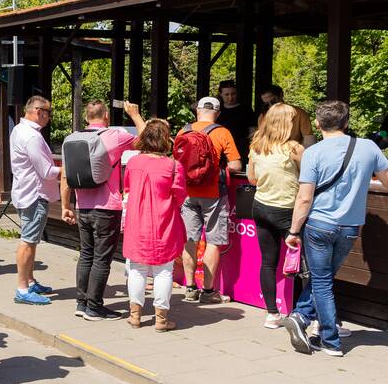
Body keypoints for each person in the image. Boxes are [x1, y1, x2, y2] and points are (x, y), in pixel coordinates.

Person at [284, 101, 388, 357]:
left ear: (318, 125)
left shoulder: (314, 152)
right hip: (350, 226)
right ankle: (303, 319)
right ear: (346, 123)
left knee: (321, 280)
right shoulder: (369, 147)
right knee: (325, 278)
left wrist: (294, 231)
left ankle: (327, 337)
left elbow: (305, 197)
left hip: (319, 225)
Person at [60, 100, 145, 320]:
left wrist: (64, 206)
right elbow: (148, 140)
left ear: (86, 117)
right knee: (102, 258)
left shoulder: (71, 138)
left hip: (82, 207)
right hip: (107, 208)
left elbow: (64, 176)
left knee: (86, 254)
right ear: (106, 115)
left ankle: (82, 302)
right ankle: (95, 306)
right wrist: (135, 115)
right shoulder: (114, 136)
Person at [122, 119, 187, 331]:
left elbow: (128, 187)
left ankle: (135, 316)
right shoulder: (174, 165)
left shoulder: (133, 162)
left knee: (136, 269)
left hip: (137, 221)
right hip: (164, 221)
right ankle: (161, 319)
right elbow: (180, 196)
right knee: (163, 270)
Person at [178, 97, 242, 304]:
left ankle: (189, 288)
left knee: (190, 240)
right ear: (218, 113)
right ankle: (208, 292)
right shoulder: (222, 132)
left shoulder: (183, 131)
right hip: (214, 193)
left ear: (197, 111)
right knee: (213, 242)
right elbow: (236, 165)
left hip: (186, 193)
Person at [246, 103, 305, 329]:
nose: (294, 123)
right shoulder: (295, 149)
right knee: (304, 264)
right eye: (291, 119)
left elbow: (252, 179)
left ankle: (272, 314)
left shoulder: (257, 146)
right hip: (288, 210)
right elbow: (310, 179)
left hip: (261, 206)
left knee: (268, 262)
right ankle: (310, 315)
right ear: (285, 123)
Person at [9, 96, 58, 305]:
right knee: (28, 242)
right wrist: (67, 171)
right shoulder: (32, 136)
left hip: (25, 192)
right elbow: (46, 171)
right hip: (34, 194)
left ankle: (29, 281)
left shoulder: (20, 129)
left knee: (32, 240)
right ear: (39, 112)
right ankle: (22, 288)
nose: (49, 117)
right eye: (48, 113)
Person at [216, 79, 257, 164]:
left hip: (241, 149)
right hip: (220, 150)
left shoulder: (246, 110)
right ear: (220, 94)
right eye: (227, 94)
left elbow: (252, 132)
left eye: (233, 94)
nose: (230, 97)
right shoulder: (217, 110)